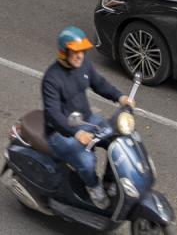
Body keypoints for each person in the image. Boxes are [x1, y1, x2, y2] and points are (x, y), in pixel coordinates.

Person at [41, 26, 123, 203]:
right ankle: (93, 187)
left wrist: (120, 97)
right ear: (64, 52)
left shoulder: (83, 64)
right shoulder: (52, 79)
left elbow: (99, 83)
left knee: (117, 141)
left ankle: (109, 181)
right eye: (76, 52)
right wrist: (77, 133)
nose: (80, 55)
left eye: (83, 51)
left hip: (87, 120)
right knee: (86, 161)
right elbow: (54, 114)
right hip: (61, 132)